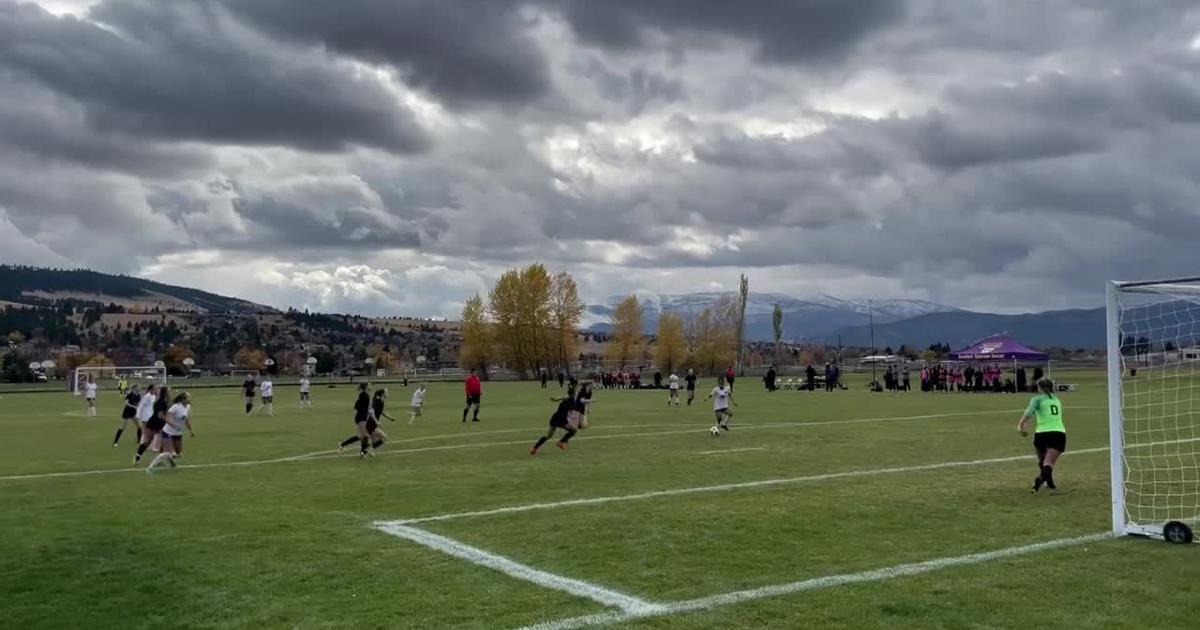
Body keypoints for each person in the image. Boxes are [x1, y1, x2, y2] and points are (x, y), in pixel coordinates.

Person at [1018, 378, 1067, 493]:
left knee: (1042, 461)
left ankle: (1047, 482)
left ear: (1039, 388)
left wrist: (1021, 425)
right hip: (1058, 433)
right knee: (1048, 463)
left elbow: (1029, 412)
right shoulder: (1057, 400)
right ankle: (1043, 480)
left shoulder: (1037, 399)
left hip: (1041, 434)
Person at [529, 382, 590, 455]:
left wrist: (556, 399)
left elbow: (564, 397)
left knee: (548, 435)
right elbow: (577, 405)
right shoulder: (571, 401)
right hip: (561, 419)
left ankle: (534, 448)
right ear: (574, 393)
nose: (577, 392)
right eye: (576, 392)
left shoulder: (568, 398)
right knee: (573, 430)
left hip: (555, 417)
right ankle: (561, 442)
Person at [147, 392, 193, 473]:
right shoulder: (175, 407)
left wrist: (190, 430)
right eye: (188, 397)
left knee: (179, 454)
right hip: (168, 431)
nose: (190, 399)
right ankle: (152, 466)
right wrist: (174, 425)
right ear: (183, 399)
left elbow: (186, 419)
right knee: (168, 452)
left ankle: (169, 461)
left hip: (178, 433)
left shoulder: (188, 407)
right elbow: (167, 418)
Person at [134, 386, 170, 465]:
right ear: (165, 393)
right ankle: (137, 458)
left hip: (159, 423)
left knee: (163, 442)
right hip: (155, 423)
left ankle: (159, 460)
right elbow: (160, 415)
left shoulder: (162, 401)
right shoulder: (161, 401)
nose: (169, 393)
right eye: (168, 391)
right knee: (147, 442)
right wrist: (169, 421)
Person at [338, 383, 375, 457]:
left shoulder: (365, 394)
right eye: (369, 385)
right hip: (361, 417)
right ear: (366, 387)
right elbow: (357, 406)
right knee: (366, 436)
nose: (370, 386)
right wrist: (366, 410)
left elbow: (358, 406)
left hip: (362, 417)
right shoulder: (364, 395)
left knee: (362, 436)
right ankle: (366, 451)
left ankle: (344, 445)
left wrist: (367, 410)